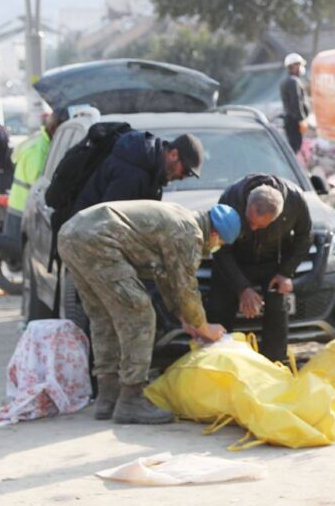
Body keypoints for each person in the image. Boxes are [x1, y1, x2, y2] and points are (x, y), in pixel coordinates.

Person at [57, 201, 240, 424]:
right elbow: (186, 288)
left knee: (103, 315)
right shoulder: (189, 233)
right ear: (214, 233)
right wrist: (204, 327)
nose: (216, 247)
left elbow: (166, 277)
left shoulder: (181, 218)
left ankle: (108, 396)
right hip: (98, 240)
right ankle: (131, 400)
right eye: (219, 243)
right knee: (139, 313)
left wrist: (184, 318)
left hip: (71, 233)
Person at [206, 174, 313, 363]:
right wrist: (242, 288)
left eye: (260, 225)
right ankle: (217, 360)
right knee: (219, 306)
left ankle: (274, 364)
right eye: (250, 221)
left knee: (277, 308)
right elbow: (220, 250)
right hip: (234, 260)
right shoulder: (231, 199)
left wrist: (286, 273)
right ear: (247, 204)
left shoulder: (295, 201)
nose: (254, 228)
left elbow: (305, 237)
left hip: (272, 262)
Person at [72, 130, 203, 213]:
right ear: (173, 154)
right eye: (186, 170)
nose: (183, 177)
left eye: (189, 175)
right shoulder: (133, 171)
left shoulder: (152, 172)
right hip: (86, 239)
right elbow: (110, 219)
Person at [0, 109, 66, 260]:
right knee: (25, 256)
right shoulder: (38, 150)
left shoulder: (42, 142)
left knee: (26, 255)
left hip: (23, 205)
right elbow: (39, 181)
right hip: (24, 207)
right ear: (55, 129)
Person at [280, 53, 311, 154]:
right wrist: (302, 120)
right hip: (294, 121)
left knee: (293, 146)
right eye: (300, 65)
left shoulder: (286, 81)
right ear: (294, 66)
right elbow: (296, 102)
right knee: (295, 147)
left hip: (290, 120)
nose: (301, 68)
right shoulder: (293, 82)